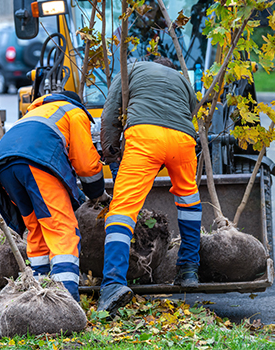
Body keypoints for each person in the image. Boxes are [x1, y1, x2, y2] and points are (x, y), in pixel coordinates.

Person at [98, 57, 201, 314]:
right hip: (183, 139)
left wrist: (110, 150)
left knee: (122, 210)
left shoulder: (131, 67)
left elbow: (111, 110)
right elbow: (190, 110)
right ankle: (189, 269)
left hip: (146, 136)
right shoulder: (181, 78)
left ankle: (112, 284)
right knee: (189, 199)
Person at [0, 91, 105, 302]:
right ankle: (65, 301)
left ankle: (39, 294)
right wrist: (96, 193)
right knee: (61, 228)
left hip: (3, 167)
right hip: (36, 161)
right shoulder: (74, 112)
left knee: (37, 227)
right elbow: (86, 164)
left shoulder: (36, 112)